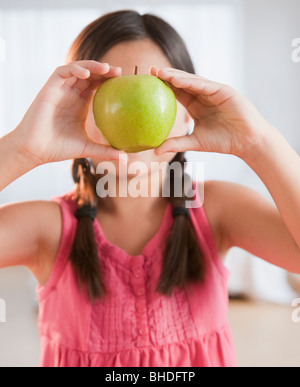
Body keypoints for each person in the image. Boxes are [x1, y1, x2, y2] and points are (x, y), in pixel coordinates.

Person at [1, 10, 300, 368]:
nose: (129, 112)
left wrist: (258, 141)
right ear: (78, 111)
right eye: (106, 92)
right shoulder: (46, 228)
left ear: (188, 113)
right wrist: (22, 149)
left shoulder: (215, 209)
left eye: (158, 92)